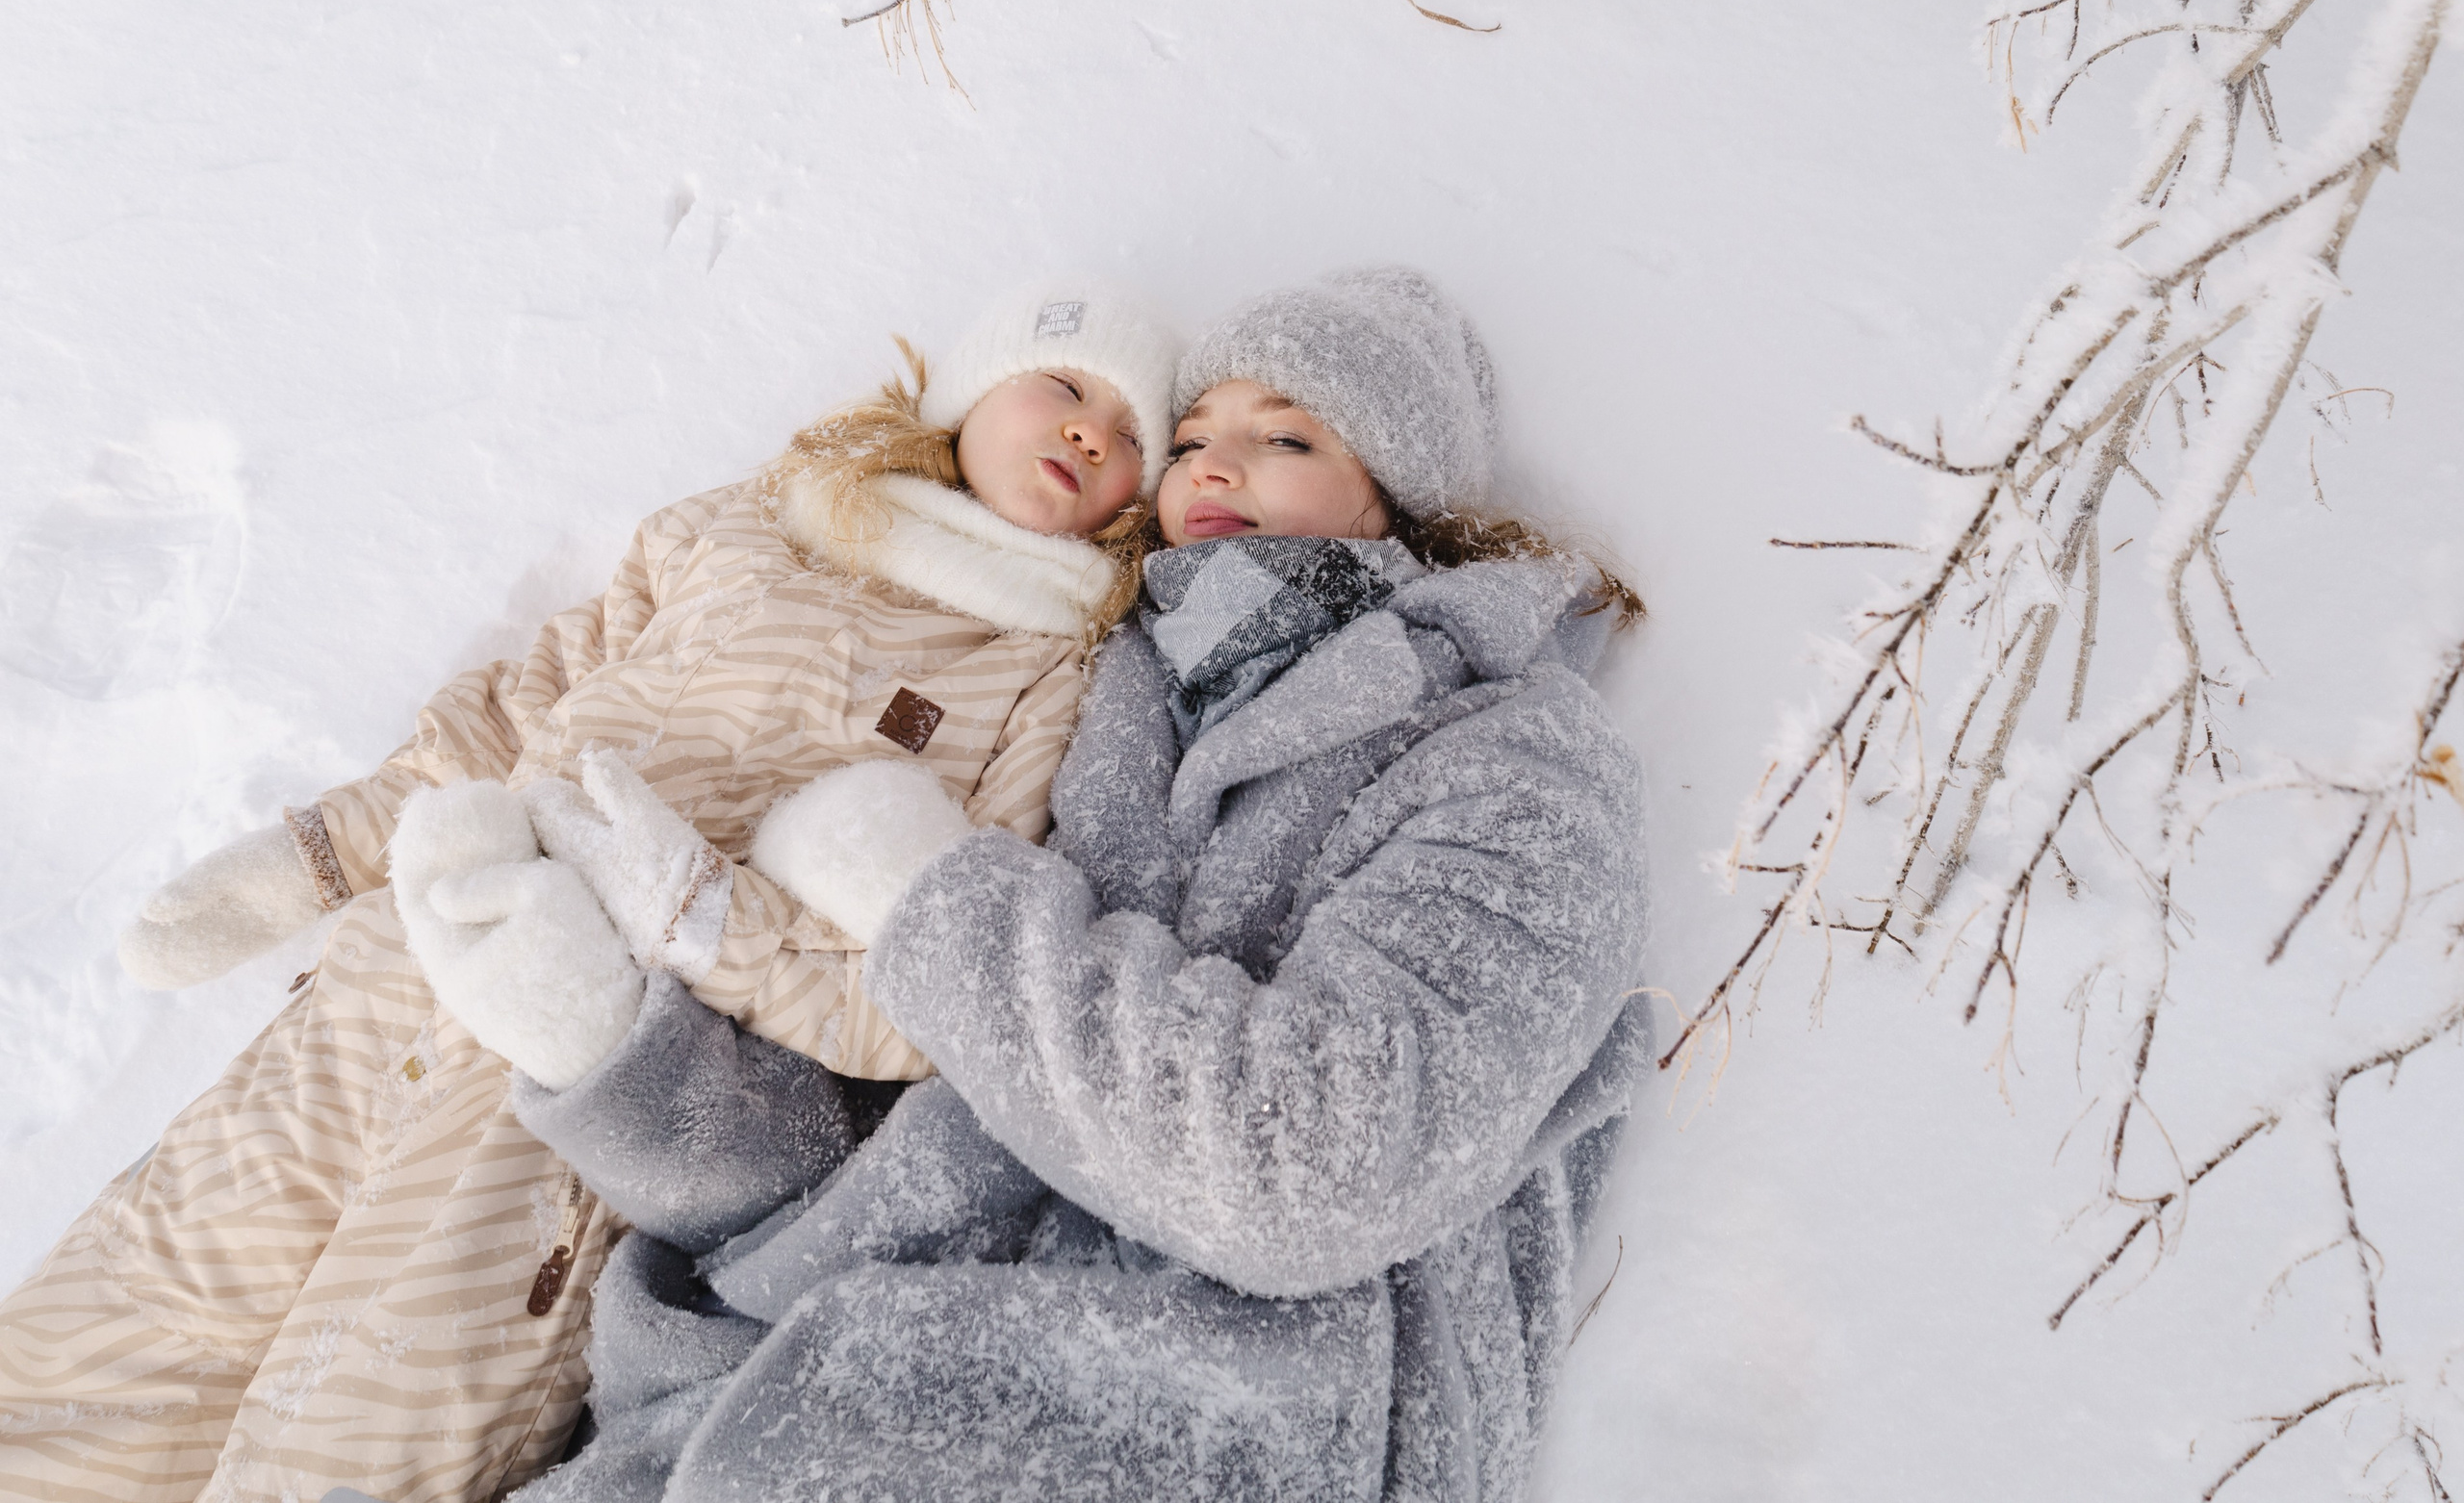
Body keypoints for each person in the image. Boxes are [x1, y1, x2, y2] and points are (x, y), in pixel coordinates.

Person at [412, 268, 1652, 1502]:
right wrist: (621, 1060)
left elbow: (1314, 1176)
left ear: (1398, 501)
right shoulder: (1106, 695)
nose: (1214, 467)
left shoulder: (1515, 757)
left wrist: (933, 895)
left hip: (1225, 1418)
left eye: (1285, 438)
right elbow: (911, 1145)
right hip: (775, 1395)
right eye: (1191, 439)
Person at [0, 287, 1183, 1503]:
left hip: (566, 1087)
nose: (1089, 431)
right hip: (394, 981)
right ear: (968, 393)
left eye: (1129, 436)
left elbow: (919, 992)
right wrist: (314, 855)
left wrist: (693, 912)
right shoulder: (759, 519)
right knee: (115, 1336)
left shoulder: (1048, 669)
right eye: (1063, 384)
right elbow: (517, 710)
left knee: (349, 1445)